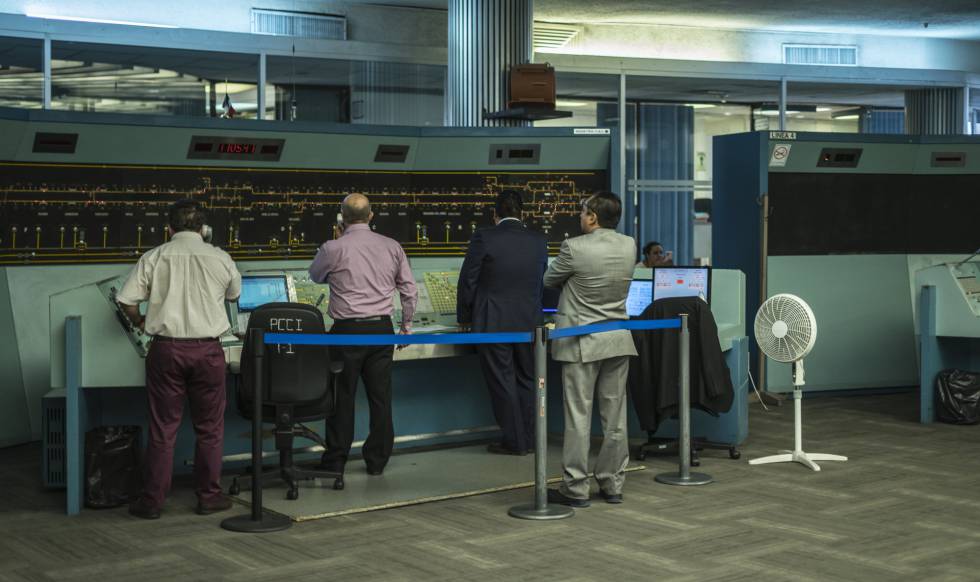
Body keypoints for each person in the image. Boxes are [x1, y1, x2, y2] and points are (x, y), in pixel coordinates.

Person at [117, 199, 241, 519]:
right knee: (210, 428)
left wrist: (141, 321)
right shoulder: (220, 257)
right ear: (203, 229)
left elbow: (126, 301)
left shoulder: (154, 257)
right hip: (208, 351)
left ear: (169, 229)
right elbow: (233, 295)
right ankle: (209, 497)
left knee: (163, 429)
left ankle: (152, 502)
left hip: (166, 350)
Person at [309, 193, 418, 476]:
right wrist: (405, 326)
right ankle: (377, 460)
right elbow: (409, 289)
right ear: (371, 217)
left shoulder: (333, 247)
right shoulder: (392, 246)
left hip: (346, 332)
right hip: (382, 330)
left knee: (341, 398)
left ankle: (336, 461)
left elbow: (315, 276)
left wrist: (335, 240)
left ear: (342, 219)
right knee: (380, 398)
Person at [543, 192, 637, 507]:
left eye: (583, 212)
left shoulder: (575, 247)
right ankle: (612, 484)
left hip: (582, 342)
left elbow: (549, 278)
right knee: (615, 417)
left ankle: (576, 488)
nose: (580, 217)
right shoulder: (629, 245)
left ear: (593, 217)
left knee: (578, 417)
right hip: (617, 338)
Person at [457, 190, 548, 456]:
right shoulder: (539, 241)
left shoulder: (484, 237)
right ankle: (530, 440)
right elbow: (540, 281)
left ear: (494, 214)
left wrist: (464, 317)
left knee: (502, 381)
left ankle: (514, 441)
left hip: (493, 322)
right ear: (523, 213)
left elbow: (468, 280)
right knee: (528, 379)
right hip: (530, 322)